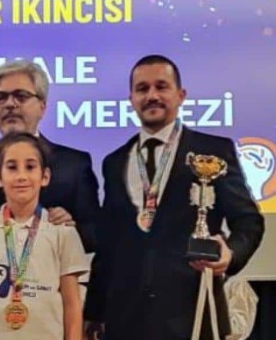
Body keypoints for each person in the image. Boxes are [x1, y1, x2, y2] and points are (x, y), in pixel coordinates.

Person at [84, 55, 265, 340]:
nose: (152, 96)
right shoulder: (114, 161)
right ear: (131, 99)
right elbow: (108, 246)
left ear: (181, 95)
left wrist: (230, 254)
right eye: (142, 89)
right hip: (125, 318)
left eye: (161, 86)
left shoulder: (213, 152)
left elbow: (248, 220)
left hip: (192, 310)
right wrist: (93, 314)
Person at [0, 60, 100, 254]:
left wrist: (71, 228)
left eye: (21, 96)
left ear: (42, 106)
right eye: (0, 98)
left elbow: (96, 234)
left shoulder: (74, 164)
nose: (10, 104)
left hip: (52, 271)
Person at [0, 132, 88, 339]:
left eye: (30, 167)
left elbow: (72, 305)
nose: (21, 176)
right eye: (12, 167)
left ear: (45, 176)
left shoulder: (63, 233)